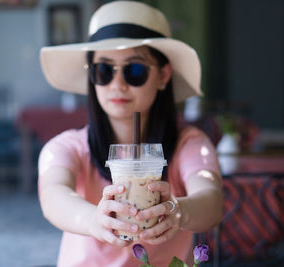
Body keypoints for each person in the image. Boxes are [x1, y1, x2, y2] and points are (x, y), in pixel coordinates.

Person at [38, 1, 223, 266]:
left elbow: (211, 200)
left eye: (135, 70)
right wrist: (94, 220)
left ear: (163, 75)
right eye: (104, 70)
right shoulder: (68, 147)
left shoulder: (190, 145)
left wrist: (179, 211)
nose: (118, 84)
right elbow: (53, 196)